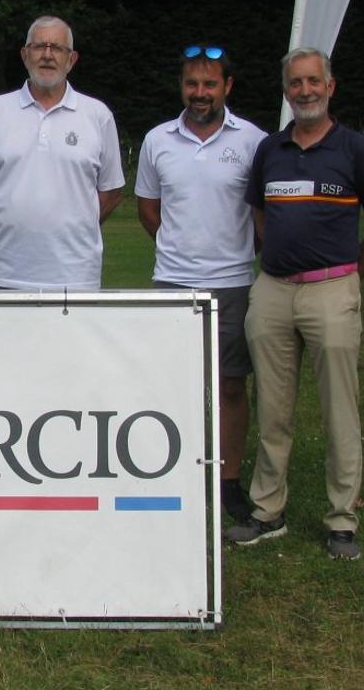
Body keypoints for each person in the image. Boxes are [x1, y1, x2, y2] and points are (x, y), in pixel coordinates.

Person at [225, 47, 364, 561]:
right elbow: (260, 219)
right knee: (273, 408)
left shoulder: (354, 149)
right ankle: (267, 510)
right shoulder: (270, 151)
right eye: (295, 83)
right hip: (274, 290)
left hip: (332, 290)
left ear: (330, 86)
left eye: (312, 81)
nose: (304, 91)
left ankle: (341, 519)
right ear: (286, 90)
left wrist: (346, 278)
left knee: (339, 409)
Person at [134, 45, 266, 522]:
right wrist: (180, 247)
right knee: (170, 384)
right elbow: (149, 208)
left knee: (231, 385)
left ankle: (227, 481)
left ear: (227, 87)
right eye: (192, 83)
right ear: (182, 87)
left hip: (232, 283)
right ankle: (173, 474)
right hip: (171, 282)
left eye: (210, 84)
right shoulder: (157, 140)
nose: (200, 93)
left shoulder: (254, 141)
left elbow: (261, 213)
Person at [0, 15, 125, 290]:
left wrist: (78, 223)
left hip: (74, 277)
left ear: (71, 59)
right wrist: (5, 217)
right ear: (25, 55)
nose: (48, 55)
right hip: (1, 274)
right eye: (39, 46)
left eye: (57, 48)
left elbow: (111, 190)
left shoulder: (98, 115)